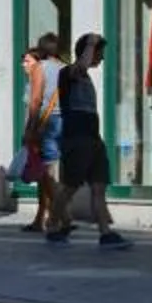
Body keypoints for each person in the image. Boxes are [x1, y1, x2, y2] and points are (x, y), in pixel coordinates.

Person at [50, 33, 127, 248]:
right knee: (69, 187)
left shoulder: (86, 77)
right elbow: (80, 66)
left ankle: (105, 233)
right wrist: (91, 43)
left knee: (98, 187)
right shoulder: (68, 73)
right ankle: (53, 225)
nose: (100, 58)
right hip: (76, 139)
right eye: (98, 53)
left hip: (93, 139)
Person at [19, 35, 64, 236]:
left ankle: (59, 215)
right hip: (65, 121)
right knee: (45, 171)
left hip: (47, 123)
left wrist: (30, 127)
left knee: (45, 172)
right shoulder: (65, 67)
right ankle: (41, 218)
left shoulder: (41, 68)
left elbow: (35, 100)